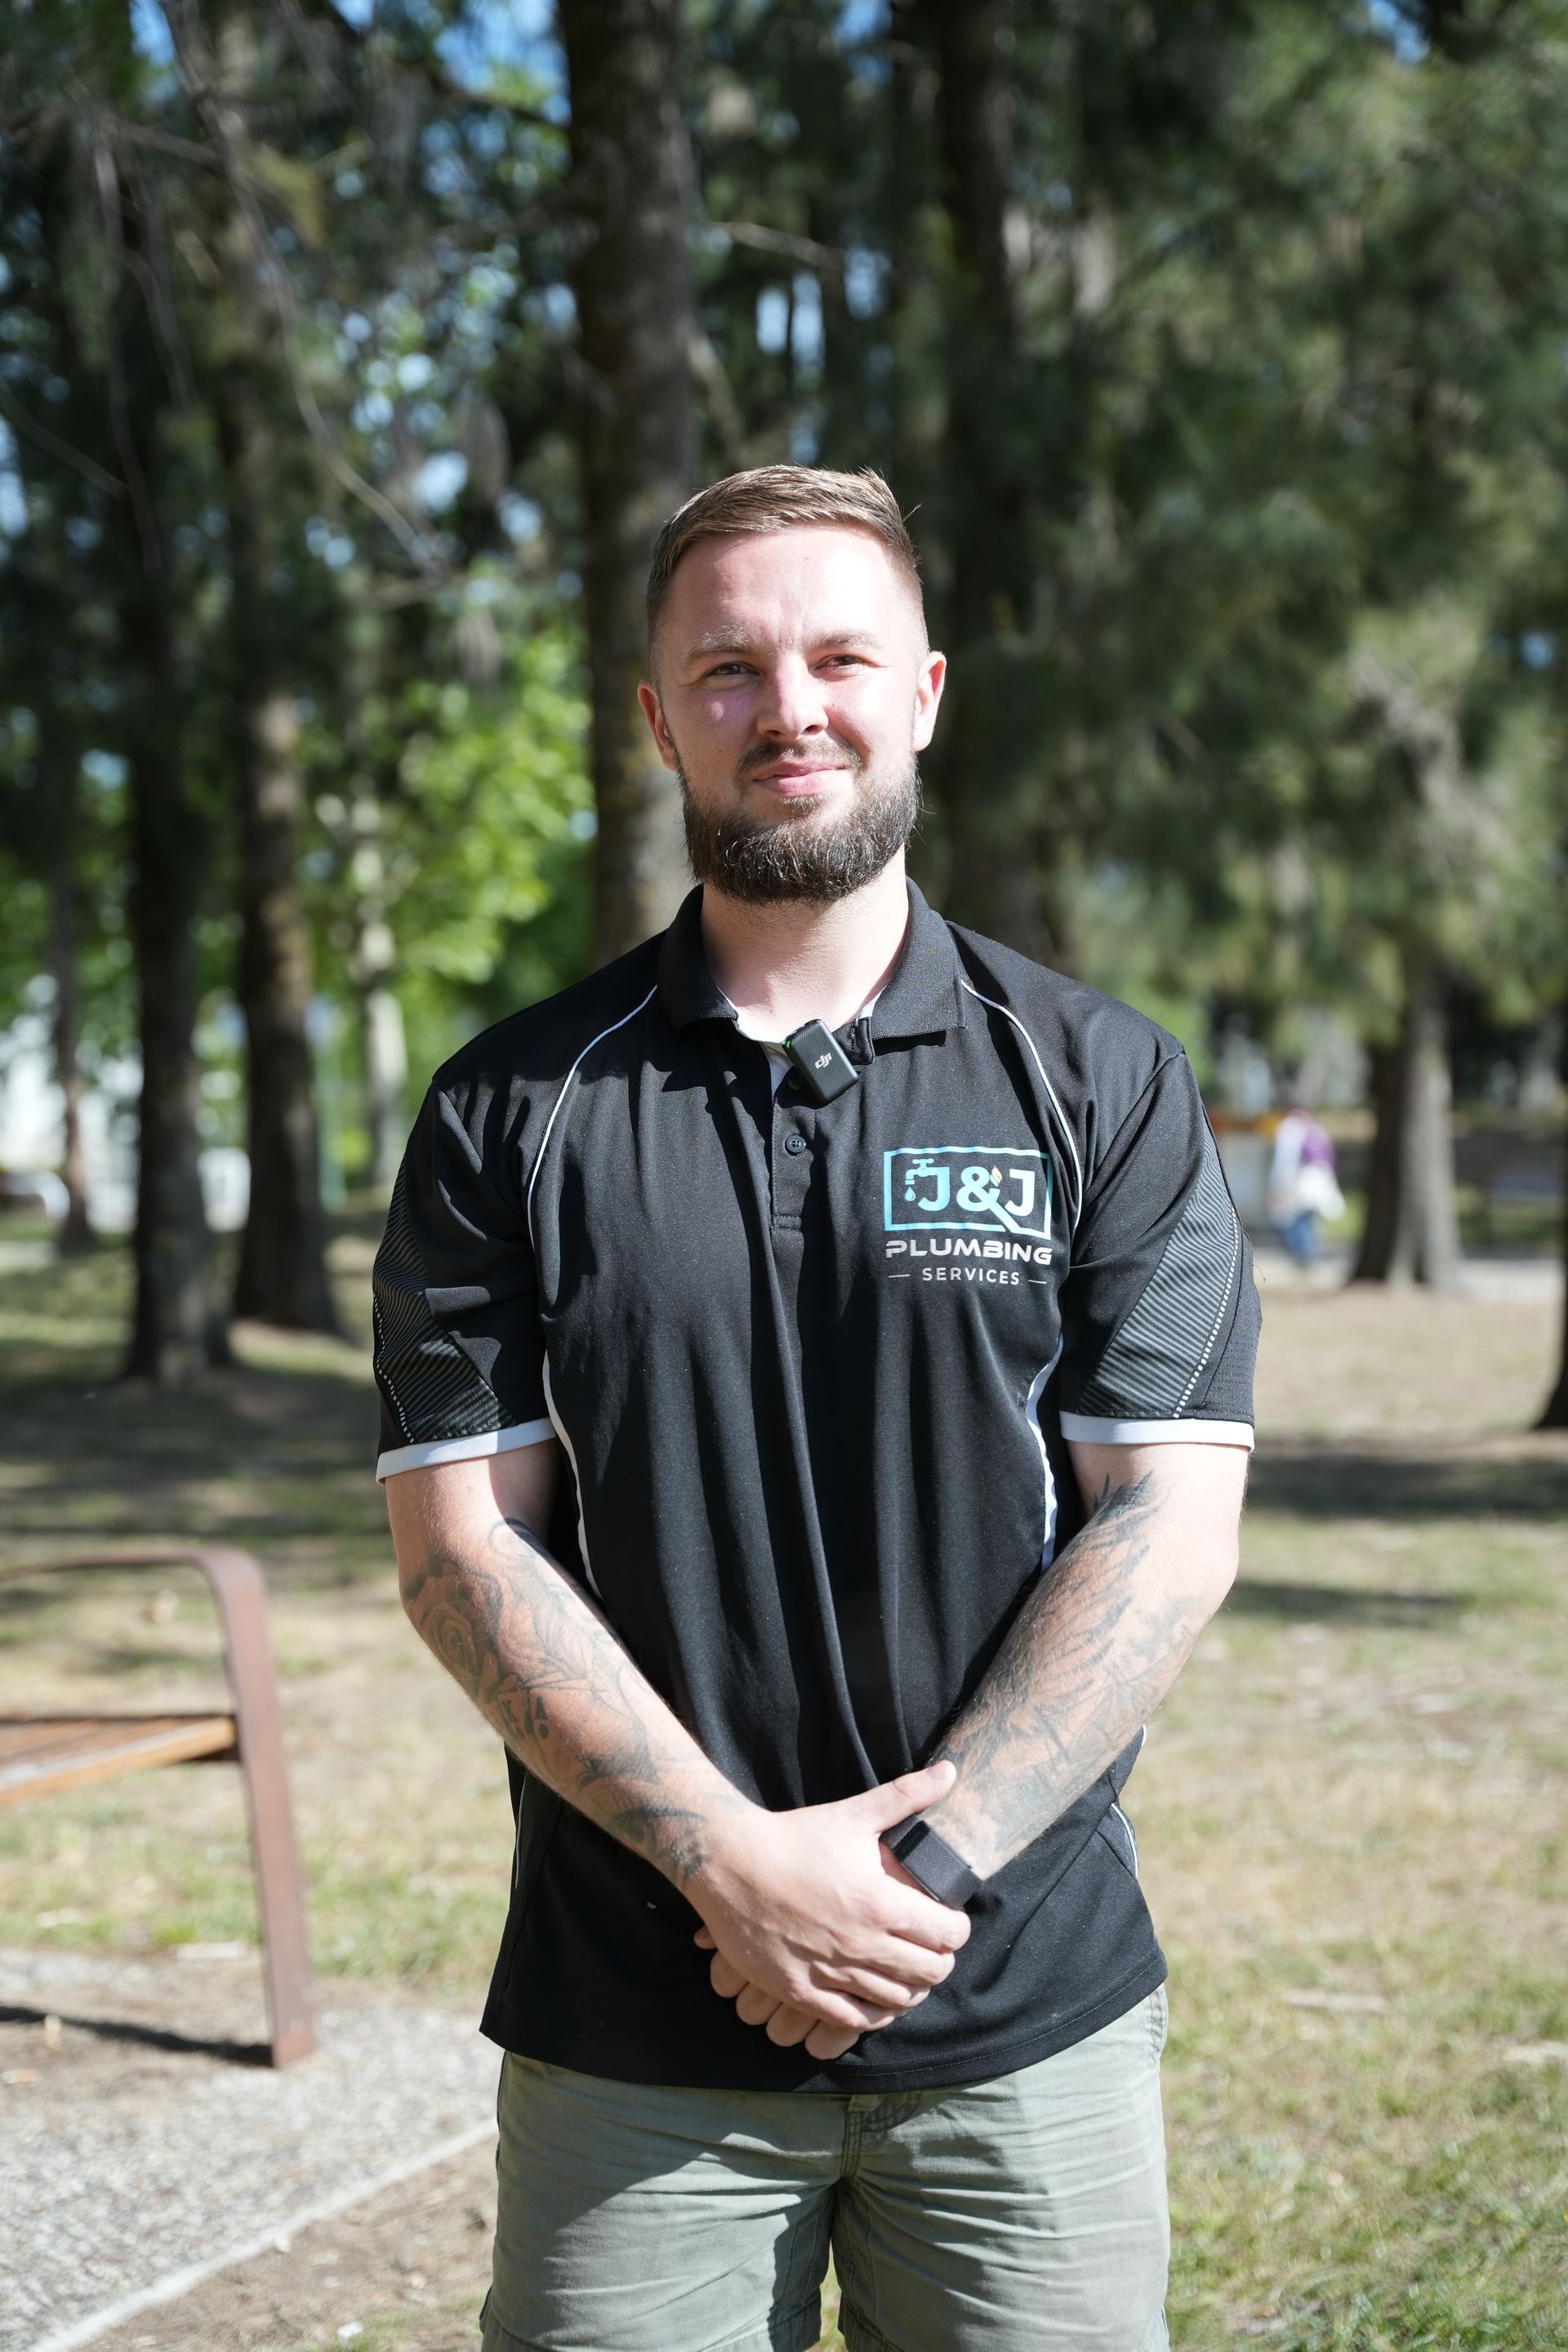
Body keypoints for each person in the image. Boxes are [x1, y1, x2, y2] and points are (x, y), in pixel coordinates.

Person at [372, 466, 1259, 2352]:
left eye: (838, 654)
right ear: (654, 715)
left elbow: (1165, 1527)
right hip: (639, 2036)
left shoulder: (1104, 1082)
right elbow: (465, 1551)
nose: (790, 706)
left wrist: (898, 1888)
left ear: (924, 689)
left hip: (1020, 2015)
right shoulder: (510, 1111)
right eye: (728, 667)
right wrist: (729, 1863)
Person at [1267, 1103, 1343, 1267]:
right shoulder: (1315, 1128)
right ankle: (1310, 1252)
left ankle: (1303, 1255)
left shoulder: (1289, 1129)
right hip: (1320, 1180)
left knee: (1293, 1218)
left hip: (1299, 1180)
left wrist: (1278, 1183)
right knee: (1309, 1217)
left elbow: (1285, 1160)